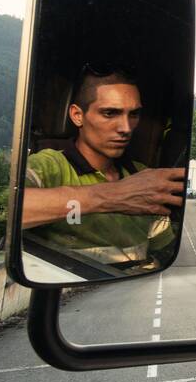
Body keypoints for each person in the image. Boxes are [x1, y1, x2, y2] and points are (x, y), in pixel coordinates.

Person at [22, 68, 184, 267]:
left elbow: (164, 248)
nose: (126, 128)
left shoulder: (143, 178)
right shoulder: (49, 166)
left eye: (133, 114)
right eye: (110, 113)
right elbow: (7, 208)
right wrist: (114, 196)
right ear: (77, 115)